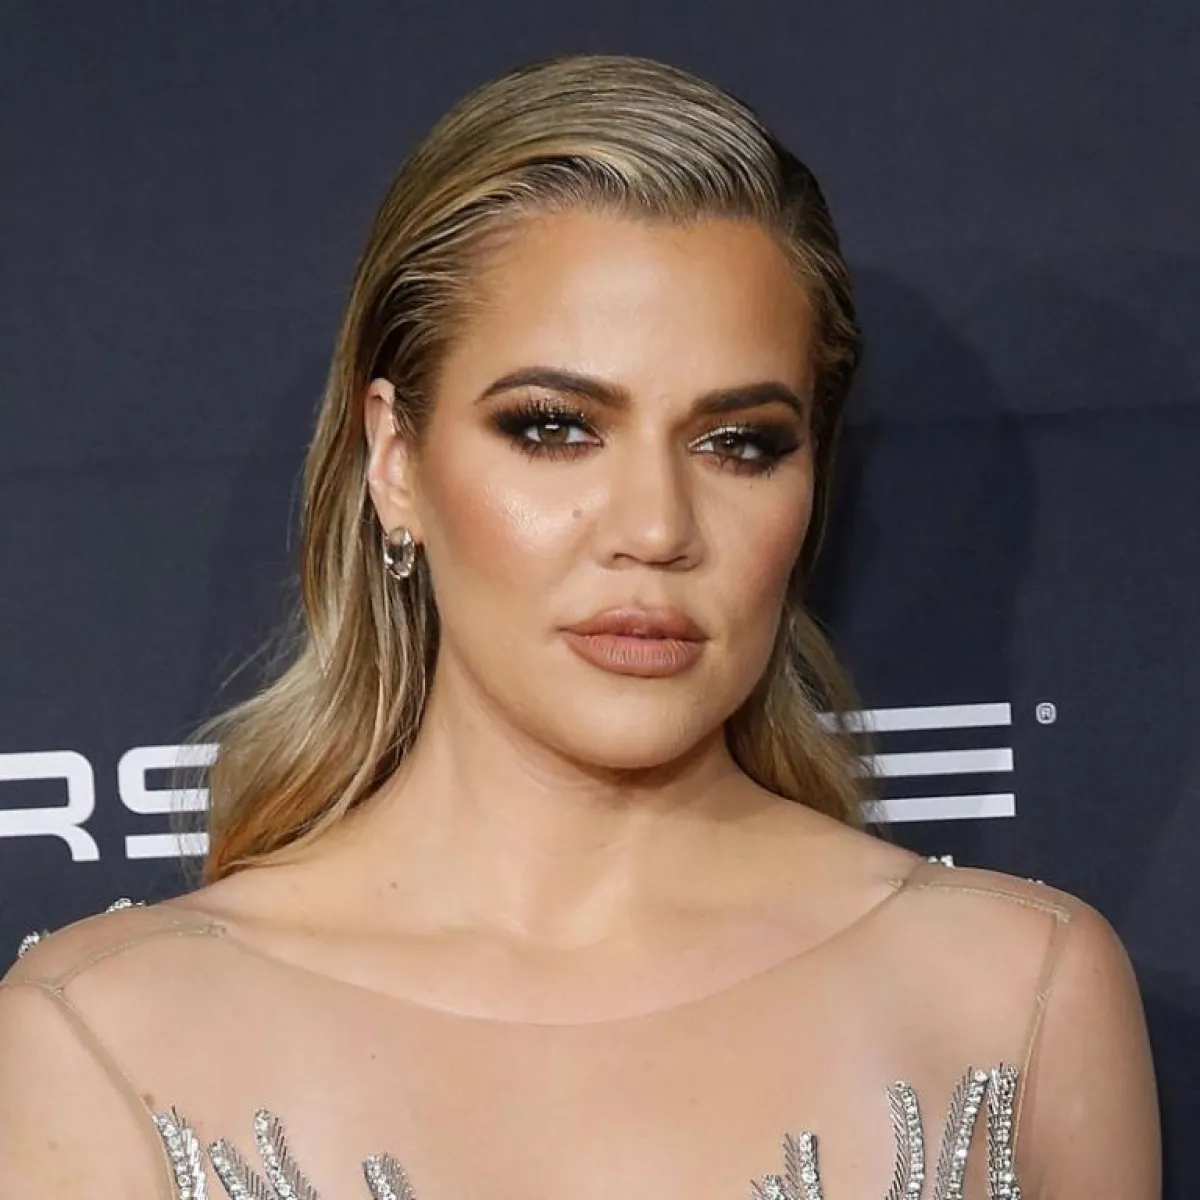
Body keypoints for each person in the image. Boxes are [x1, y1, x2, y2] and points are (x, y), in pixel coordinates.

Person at [0, 53, 1159, 1200]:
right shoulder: (103, 1041)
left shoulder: (1016, 996)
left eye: (740, 443)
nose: (656, 528)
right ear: (395, 460)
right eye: (554, 428)